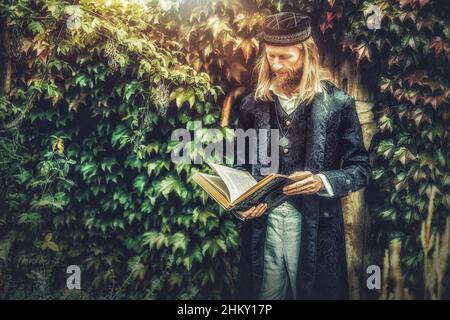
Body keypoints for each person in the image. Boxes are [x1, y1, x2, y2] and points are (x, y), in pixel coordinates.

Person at [231, 11, 372, 300]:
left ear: (307, 54)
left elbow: (360, 169)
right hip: (263, 229)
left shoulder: (339, 104)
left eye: (286, 57)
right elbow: (240, 167)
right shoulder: (250, 105)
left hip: (315, 229)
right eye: (271, 56)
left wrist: (322, 181)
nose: (276, 64)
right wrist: (240, 206)